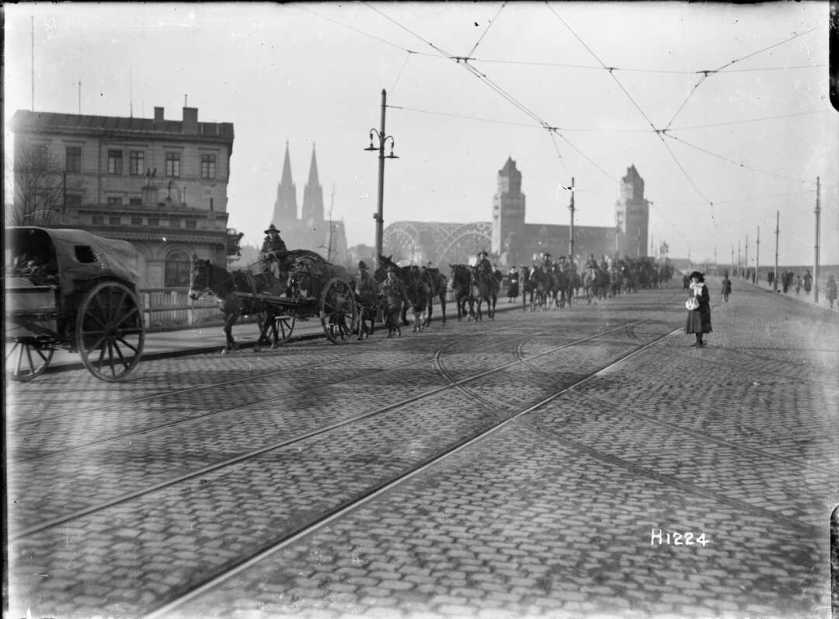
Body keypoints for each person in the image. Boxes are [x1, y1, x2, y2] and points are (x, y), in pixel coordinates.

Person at [685, 270, 711, 347]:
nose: (694, 279)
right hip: (693, 309)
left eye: (696, 278)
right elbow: (690, 296)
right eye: (693, 278)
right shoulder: (691, 286)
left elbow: (707, 298)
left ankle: (699, 342)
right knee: (695, 326)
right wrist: (690, 302)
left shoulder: (703, 286)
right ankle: (698, 341)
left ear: (699, 278)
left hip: (702, 309)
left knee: (700, 326)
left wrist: (698, 298)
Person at [379, 267, 405, 337]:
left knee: (394, 319)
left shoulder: (399, 282)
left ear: (394, 274)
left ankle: (392, 332)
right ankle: (395, 330)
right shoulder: (384, 282)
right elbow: (381, 292)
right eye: (388, 273)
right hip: (387, 303)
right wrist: (380, 295)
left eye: (391, 272)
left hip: (396, 302)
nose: (389, 274)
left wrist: (406, 302)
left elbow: (403, 293)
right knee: (387, 320)